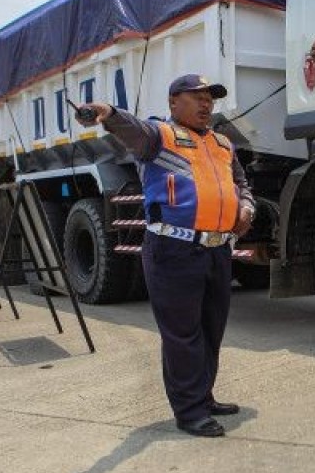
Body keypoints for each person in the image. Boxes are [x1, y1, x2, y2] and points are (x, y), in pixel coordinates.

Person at [78, 75, 255, 438]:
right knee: (183, 334)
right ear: (174, 102)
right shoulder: (159, 137)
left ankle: (202, 396)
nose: (206, 105)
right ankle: (189, 411)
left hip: (217, 249)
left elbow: (242, 184)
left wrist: (247, 207)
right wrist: (108, 112)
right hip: (173, 250)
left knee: (210, 330)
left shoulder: (222, 143)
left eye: (210, 99)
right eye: (197, 98)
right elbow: (131, 129)